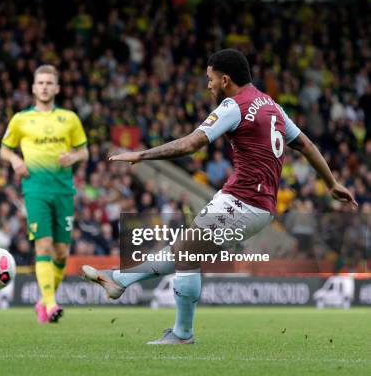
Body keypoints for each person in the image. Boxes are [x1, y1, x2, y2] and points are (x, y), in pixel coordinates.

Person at [82, 49, 357, 344]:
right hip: (258, 205)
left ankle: (181, 333)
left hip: (242, 201)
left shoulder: (234, 106)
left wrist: (143, 154)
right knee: (183, 249)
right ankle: (119, 280)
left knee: (187, 253)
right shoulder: (272, 106)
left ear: (225, 79)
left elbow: (192, 144)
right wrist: (331, 183)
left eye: (210, 79)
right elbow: (307, 145)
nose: (208, 85)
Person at [0, 65, 88, 323]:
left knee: (61, 252)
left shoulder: (70, 118)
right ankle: (50, 304)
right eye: (41, 83)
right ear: (33, 88)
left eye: (50, 83)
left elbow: (85, 151)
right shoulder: (20, 119)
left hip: (63, 189)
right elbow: (4, 149)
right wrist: (15, 161)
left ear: (57, 88)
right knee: (44, 244)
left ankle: (44, 301)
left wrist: (73, 156)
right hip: (35, 189)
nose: (45, 87)